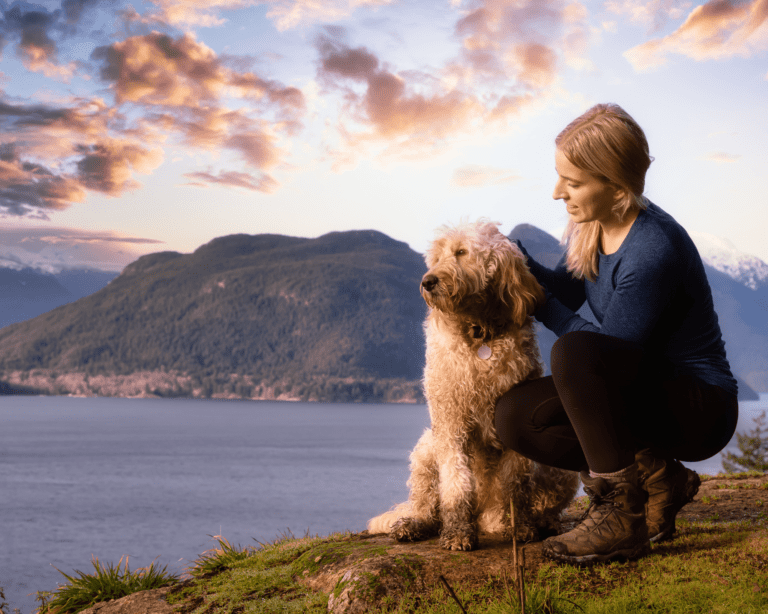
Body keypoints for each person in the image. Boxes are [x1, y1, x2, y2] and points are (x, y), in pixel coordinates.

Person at [495, 103, 739, 565]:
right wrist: (513, 261)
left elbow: (601, 356)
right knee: (514, 418)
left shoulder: (653, 250)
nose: (556, 193)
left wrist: (542, 305)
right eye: (559, 178)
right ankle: (660, 478)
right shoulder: (595, 225)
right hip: (640, 389)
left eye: (572, 183)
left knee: (574, 352)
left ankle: (620, 517)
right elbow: (568, 288)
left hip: (698, 408)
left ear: (615, 183)